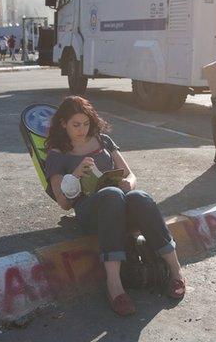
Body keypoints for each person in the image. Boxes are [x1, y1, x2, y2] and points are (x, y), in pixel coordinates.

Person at [44, 96, 186, 317]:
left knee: (140, 197)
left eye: (86, 124)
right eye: (76, 125)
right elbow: (63, 203)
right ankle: (115, 286)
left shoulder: (103, 141)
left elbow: (130, 174)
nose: (82, 130)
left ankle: (176, 271)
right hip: (91, 214)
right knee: (110, 194)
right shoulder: (57, 154)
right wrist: (75, 175)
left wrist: (128, 183)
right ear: (63, 124)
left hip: (118, 204)